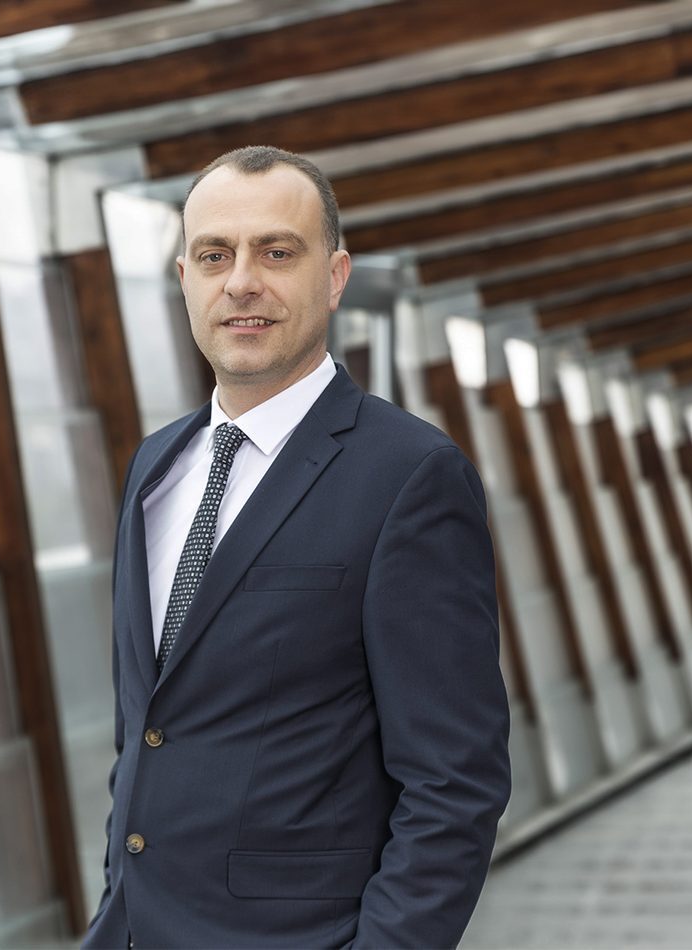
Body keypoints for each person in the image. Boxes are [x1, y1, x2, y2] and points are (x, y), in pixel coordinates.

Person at [82, 146, 510, 949]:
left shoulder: (409, 476)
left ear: (336, 275)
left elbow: (456, 780)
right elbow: (149, 729)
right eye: (216, 255)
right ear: (185, 279)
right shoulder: (156, 468)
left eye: (277, 252)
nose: (241, 280)